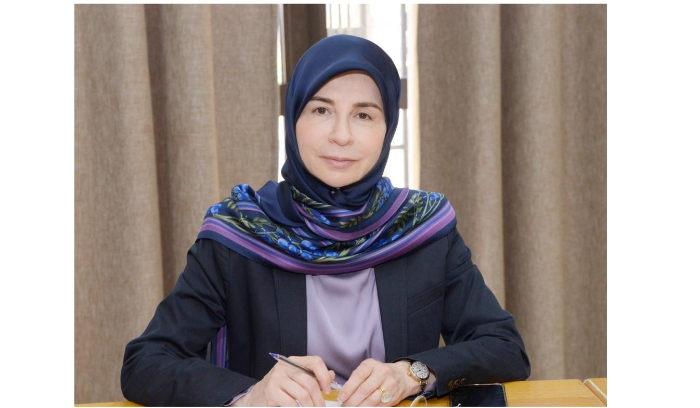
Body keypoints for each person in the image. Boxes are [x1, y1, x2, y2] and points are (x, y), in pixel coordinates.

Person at [121, 34, 530, 407]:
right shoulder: (240, 231)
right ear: (293, 119)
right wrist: (251, 395)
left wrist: (412, 373)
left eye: (364, 115)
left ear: (387, 127)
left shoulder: (422, 228)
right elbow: (146, 363)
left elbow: (504, 346)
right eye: (321, 110)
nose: (341, 135)